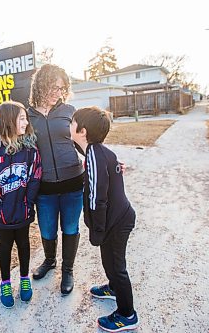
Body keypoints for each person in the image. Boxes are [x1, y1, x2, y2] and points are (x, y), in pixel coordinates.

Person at [69, 106, 139, 332]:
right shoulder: (96, 151)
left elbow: (96, 197)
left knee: (117, 266)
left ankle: (127, 314)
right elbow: (112, 164)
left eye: (72, 122)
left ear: (82, 130)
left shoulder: (94, 157)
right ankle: (113, 288)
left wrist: (96, 230)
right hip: (114, 218)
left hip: (117, 221)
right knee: (108, 259)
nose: (69, 125)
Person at [0, 101, 42, 308]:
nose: (26, 122)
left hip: (22, 209)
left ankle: (24, 280)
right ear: (8, 120)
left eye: (26, 118)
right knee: (5, 246)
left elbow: (35, 177)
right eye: (21, 118)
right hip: (2, 212)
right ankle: (5, 283)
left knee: (23, 243)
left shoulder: (30, 147)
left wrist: (27, 202)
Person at [27, 64, 84, 295]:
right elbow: (16, 143)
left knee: (70, 227)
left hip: (73, 182)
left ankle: (68, 270)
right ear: (40, 85)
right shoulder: (28, 115)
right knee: (48, 229)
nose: (57, 93)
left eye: (61, 88)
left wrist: (106, 161)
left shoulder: (70, 110)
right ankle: (50, 261)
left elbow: (83, 142)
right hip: (45, 186)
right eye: (53, 87)